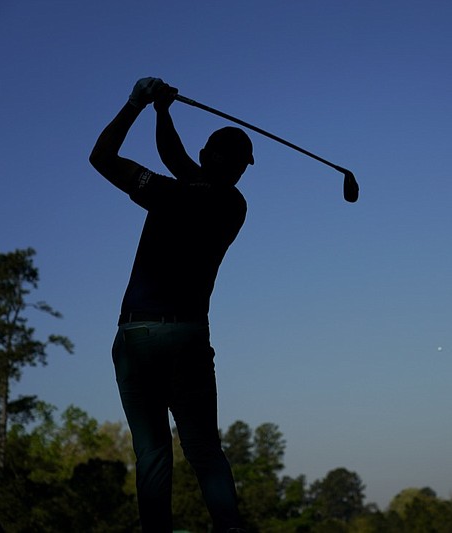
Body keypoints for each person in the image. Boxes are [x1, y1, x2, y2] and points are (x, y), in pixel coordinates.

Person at [89, 77, 252, 533]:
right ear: (236, 167)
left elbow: (101, 157)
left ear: (206, 158)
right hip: (187, 338)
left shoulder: (169, 193)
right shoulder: (233, 204)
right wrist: (163, 112)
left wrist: (136, 104)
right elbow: (174, 159)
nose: (242, 172)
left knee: (153, 452)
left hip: (138, 335)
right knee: (204, 451)